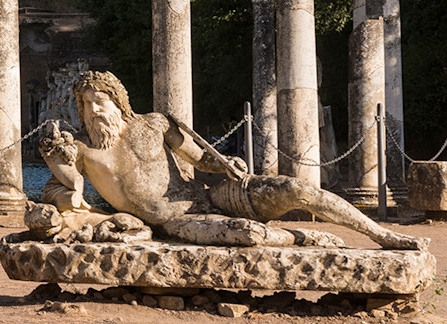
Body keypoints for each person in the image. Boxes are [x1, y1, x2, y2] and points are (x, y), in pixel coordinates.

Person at [38, 70, 426, 250]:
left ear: (117, 100)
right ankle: (307, 238)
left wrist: (226, 161)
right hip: (178, 223)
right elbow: (67, 190)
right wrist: (57, 159)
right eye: (85, 105)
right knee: (247, 233)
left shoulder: (154, 124)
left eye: (99, 102)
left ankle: (381, 235)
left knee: (294, 187)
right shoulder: (83, 151)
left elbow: (200, 158)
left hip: (207, 195)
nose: (94, 111)